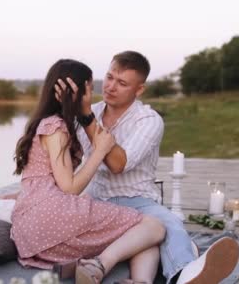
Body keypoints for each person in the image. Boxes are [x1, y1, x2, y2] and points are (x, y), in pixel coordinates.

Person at [58, 51, 239, 284]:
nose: (110, 87)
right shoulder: (87, 112)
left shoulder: (149, 120)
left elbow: (118, 164)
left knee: (169, 223)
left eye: (122, 83)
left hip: (138, 200)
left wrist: (86, 118)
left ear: (139, 89)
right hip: (97, 198)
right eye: (110, 77)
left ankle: (186, 276)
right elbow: (66, 161)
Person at [10, 59, 166, 284]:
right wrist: (100, 150)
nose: (93, 95)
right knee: (153, 227)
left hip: (30, 230)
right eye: (90, 89)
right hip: (50, 217)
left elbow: (45, 178)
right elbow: (69, 187)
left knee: (135, 234)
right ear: (76, 91)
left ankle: (139, 281)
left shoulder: (44, 123)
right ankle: (98, 266)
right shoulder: (56, 127)